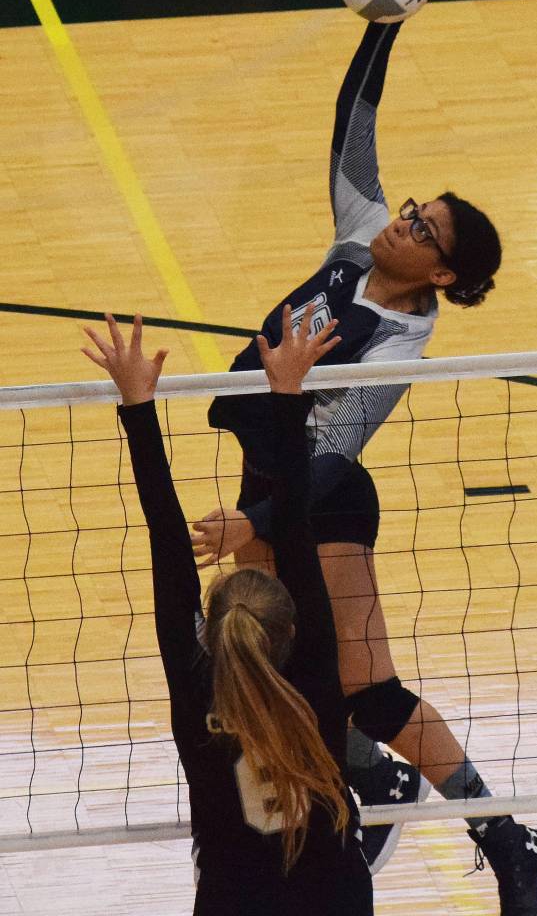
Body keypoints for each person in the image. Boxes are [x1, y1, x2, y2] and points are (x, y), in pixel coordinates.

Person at [191, 0, 537, 915]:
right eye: (411, 206)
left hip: (318, 500)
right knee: (279, 665)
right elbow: (353, 121)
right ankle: (378, 783)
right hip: (267, 485)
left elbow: (325, 456)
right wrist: (384, 25)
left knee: (365, 687)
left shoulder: (399, 341)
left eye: (423, 228)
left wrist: (255, 526)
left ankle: (507, 834)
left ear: (440, 272)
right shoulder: (357, 238)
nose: (402, 217)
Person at [81, 308, 374, 916]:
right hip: (335, 898)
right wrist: (290, 394)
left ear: (210, 636)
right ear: (291, 627)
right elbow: (294, 528)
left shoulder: (199, 689)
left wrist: (137, 406)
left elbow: (170, 543)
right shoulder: (315, 667)